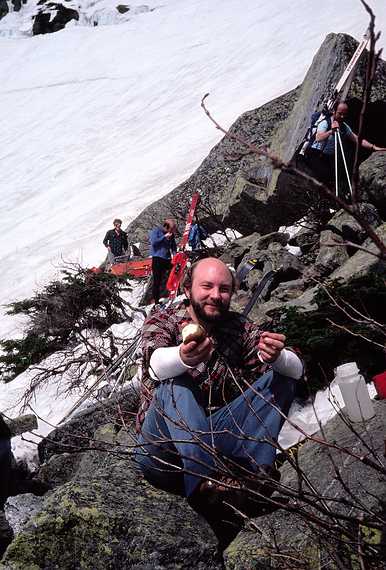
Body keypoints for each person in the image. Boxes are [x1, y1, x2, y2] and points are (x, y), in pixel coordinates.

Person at [135, 257, 303, 518]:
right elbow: (154, 365)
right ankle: (206, 485)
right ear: (187, 290)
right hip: (163, 452)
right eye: (207, 287)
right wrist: (182, 358)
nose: (216, 295)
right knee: (174, 381)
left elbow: (296, 370)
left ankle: (254, 476)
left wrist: (277, 356)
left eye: (224, 289)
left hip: (215, 437)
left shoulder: (236, 328)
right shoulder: (164, 320)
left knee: (281, 376)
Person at [307, 101, 386, 191]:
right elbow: (318, 138)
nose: (342, 117)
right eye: (340, 114)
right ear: (334, 111)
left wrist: (373, 147)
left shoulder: (344, 127)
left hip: (328, 156)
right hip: (315, 153)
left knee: (336, 176)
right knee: (325, 176)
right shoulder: (325, 123)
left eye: (344, 114)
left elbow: (357, 139)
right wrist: (331, 131)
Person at [149, 219, 177, 304]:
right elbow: (154, 242)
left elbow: (173, 246)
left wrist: (175, 255)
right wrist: (164, 237)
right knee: (157, 280)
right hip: (157, 258)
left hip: (167, 259)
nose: (171, 232)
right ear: (166, 226)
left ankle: (173, 292)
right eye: (170, 229)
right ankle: (156, 301)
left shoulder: (171, 235)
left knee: (174, 272)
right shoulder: (156, 231)